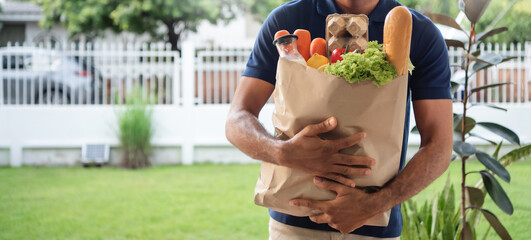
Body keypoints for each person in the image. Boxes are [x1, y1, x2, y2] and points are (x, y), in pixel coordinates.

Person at [225, 0, 453, 239]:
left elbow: (439, 145)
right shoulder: (287, 20)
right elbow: (237, 118)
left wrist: (375, 204)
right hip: (294, 225)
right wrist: (283, 152)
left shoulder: (417, 32)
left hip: (374, 225)